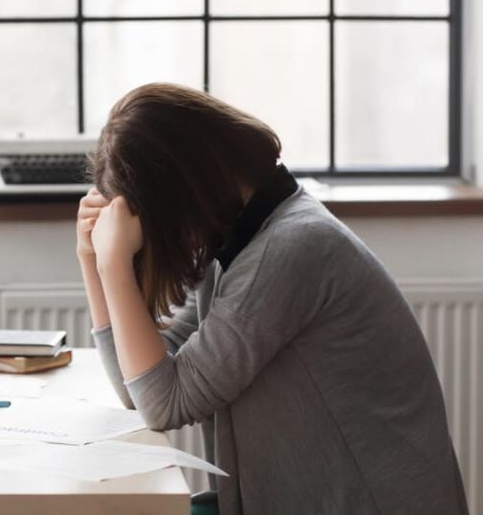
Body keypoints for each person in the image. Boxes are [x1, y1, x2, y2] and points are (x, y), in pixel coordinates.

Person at [77, 83, 468, 514]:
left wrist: (114, 266)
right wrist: (93, 258)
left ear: (180, 193)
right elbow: (142, 385)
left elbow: (163, 402)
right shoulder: (241, 240)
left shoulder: (288, 249)